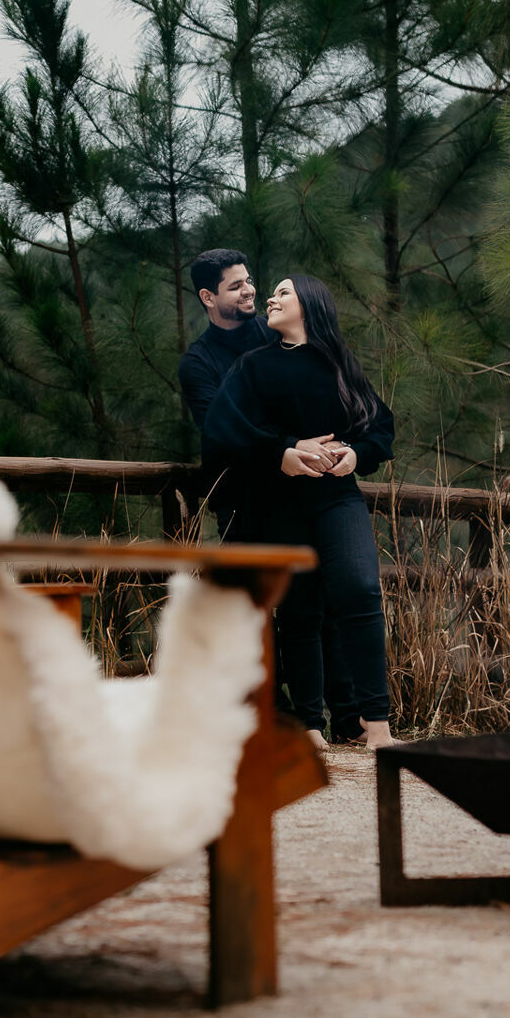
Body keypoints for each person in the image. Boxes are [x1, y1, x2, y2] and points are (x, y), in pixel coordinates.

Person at [202, 274, 395, 749]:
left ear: (310, 304)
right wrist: (282, 452)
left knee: (360, 589)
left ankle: (378, 727)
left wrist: (356, 454)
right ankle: (310, 726)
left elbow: (379, 426)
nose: (271, 297)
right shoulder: (252, 366)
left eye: (283, 292)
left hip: (337, 495)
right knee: (299, 611)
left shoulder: (340, 365)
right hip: (276, 500)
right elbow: (221, 430)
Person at [176, 250, 361, 744]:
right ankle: (274, 718)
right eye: (236, 286)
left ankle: (343, 718)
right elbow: (220, 429)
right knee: (256, 611)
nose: (250, 291)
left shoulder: (277, 333)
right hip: (243, 498)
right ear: (208, 297)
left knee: (319, 602)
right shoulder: (199, 363)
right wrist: (282, 444)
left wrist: (315, 447)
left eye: (250, 281)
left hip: (304, 492)